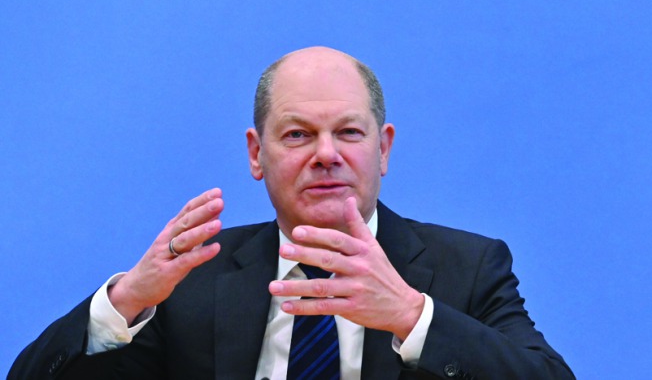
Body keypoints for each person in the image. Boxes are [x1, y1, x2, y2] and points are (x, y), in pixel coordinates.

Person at [10, 46, 574, 380]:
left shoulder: (467, 268)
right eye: (299, 134)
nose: (326, 154)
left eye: (349, 133)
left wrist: (409, 314)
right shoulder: (194, 278)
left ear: (384, 149)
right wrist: (126, 300)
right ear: (257, 154)